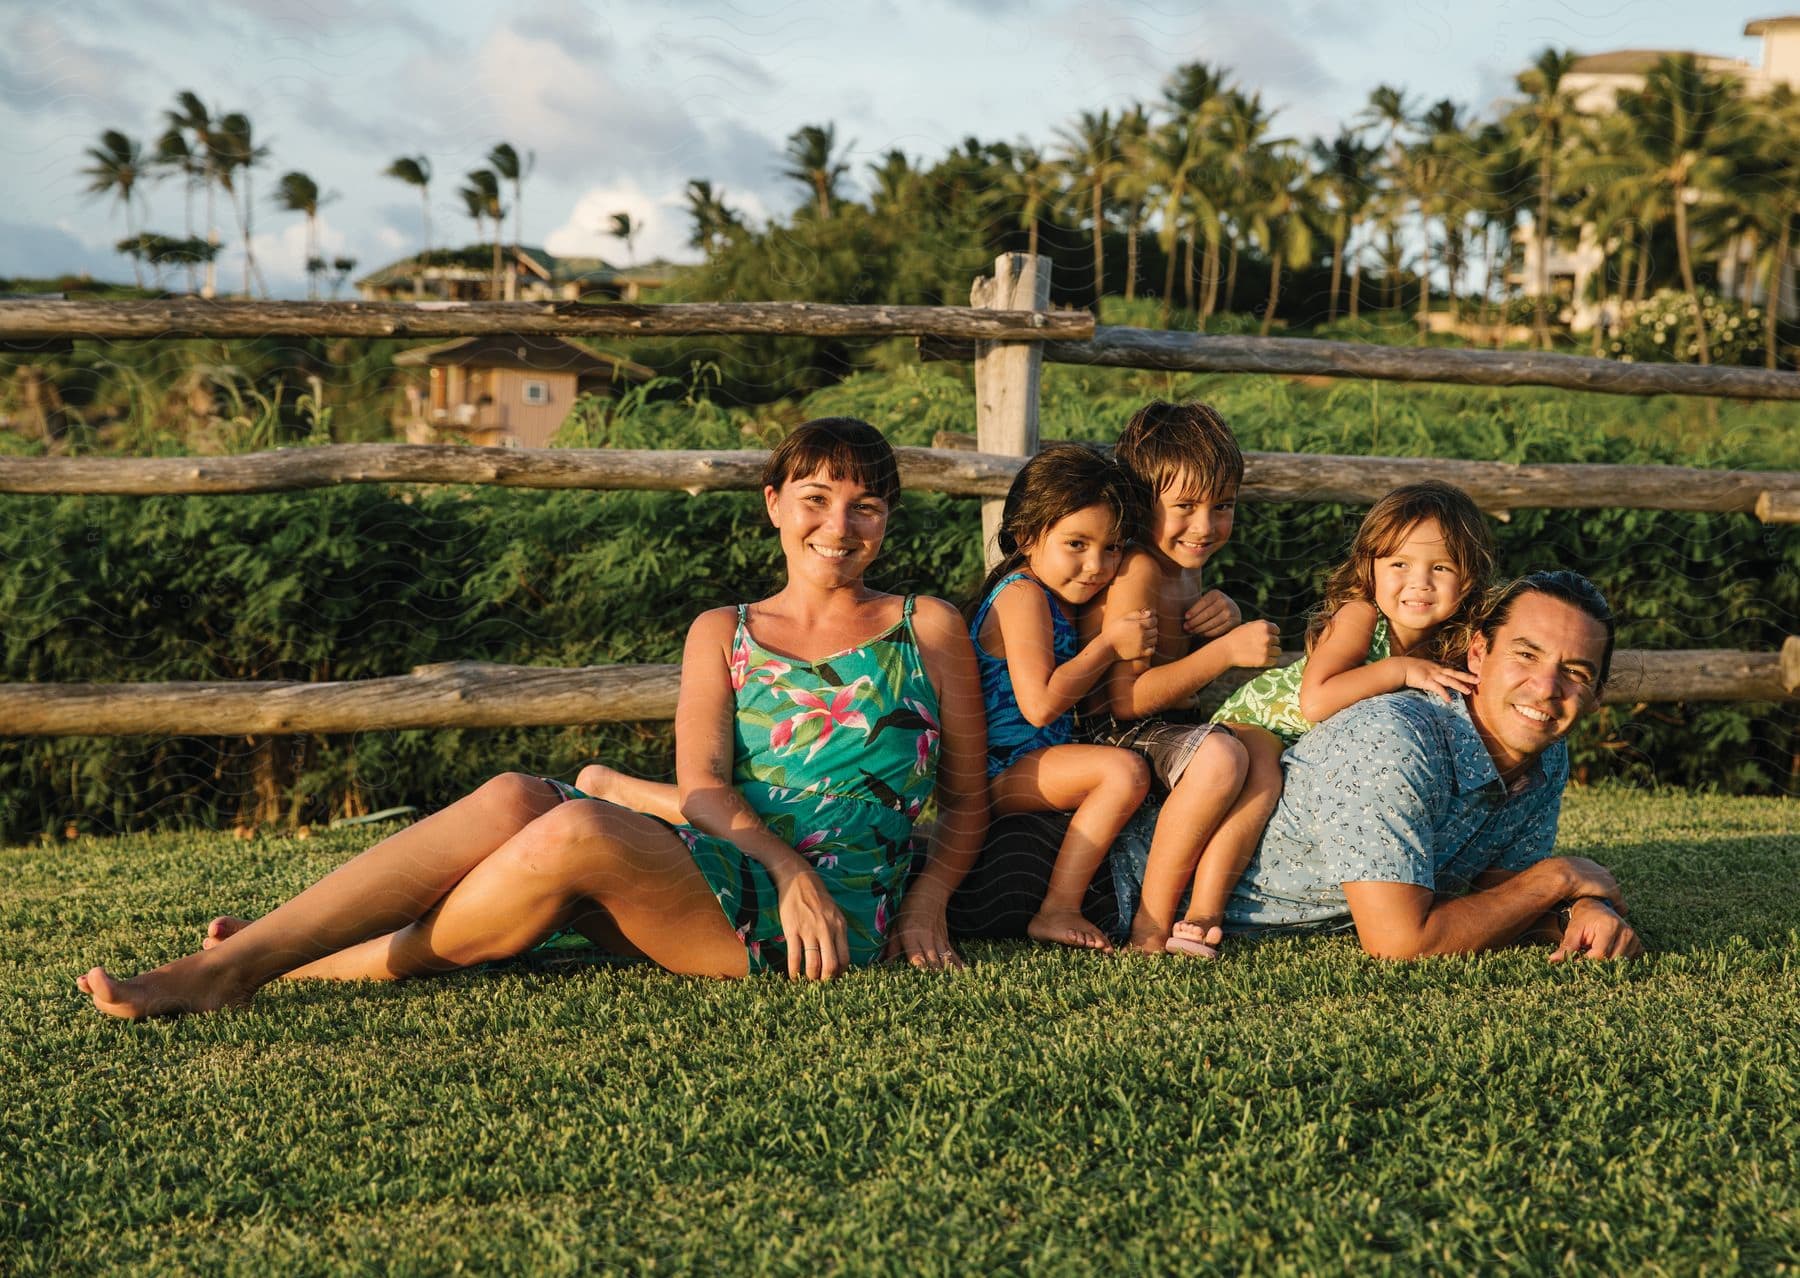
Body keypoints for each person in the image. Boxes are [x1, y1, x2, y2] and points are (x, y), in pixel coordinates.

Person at [79, 418, 989, 1019]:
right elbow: (704, 788)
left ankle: (241, 969)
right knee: (518, 795)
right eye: (817, 499)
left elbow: (966, 802)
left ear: (887, 518)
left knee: (577, 827)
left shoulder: (926, 625)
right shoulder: (725, 631)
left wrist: (926, 906)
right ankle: (260, 960)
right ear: (774, 507)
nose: (841, 524)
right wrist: (782, 863)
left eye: (865, 504)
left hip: (830, 918)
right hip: (744, 864)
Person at [1120, 569, 1644, 959]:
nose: (1547, 689)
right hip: (1111, 890)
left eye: (1574, 672)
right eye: (1525, 656)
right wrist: (1560, 878)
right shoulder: (1395, 738)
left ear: (1596, 694)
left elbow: (1499, 892)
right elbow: (1399, 944)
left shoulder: (1547, 756)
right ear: (1479, 654)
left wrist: (1578, 912)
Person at [1080, 401, 1282, 957]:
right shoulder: (1140, 569)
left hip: (1168, 727)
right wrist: (1222, 654)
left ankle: (1203, 913)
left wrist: (1220, 623)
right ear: (1143, 503)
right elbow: (1126, 698)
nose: (1205, 526)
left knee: (1262, 750)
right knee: (1221, 758)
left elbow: (1175, 656)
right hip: (1111, 733)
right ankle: (1148, 927)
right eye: (1185, 506)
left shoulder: (1186, 566)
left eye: (1223, 506)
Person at [966, 443, 1155, 951]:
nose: (1096, 565)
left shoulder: (1053, 594)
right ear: (1026, 536)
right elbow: (1040, 705)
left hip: (1030, 762)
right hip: (999, 769)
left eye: (1112, 547)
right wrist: (1110, 643)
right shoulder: (1022, 594)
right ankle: (1058, 908)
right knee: (1124, 772)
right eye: (1077, 544)